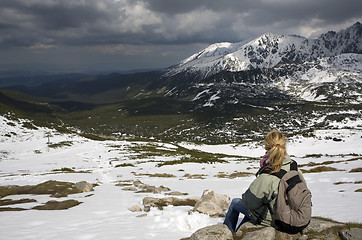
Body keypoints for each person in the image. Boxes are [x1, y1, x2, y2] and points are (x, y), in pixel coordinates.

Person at [223, 129, 291, 233]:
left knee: (235, 202)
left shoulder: (268, 174)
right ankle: (239, 231)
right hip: (293, 215)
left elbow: (248, 203)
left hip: (275, 219)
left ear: (266, 147)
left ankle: (228, 233)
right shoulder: (293, 166)